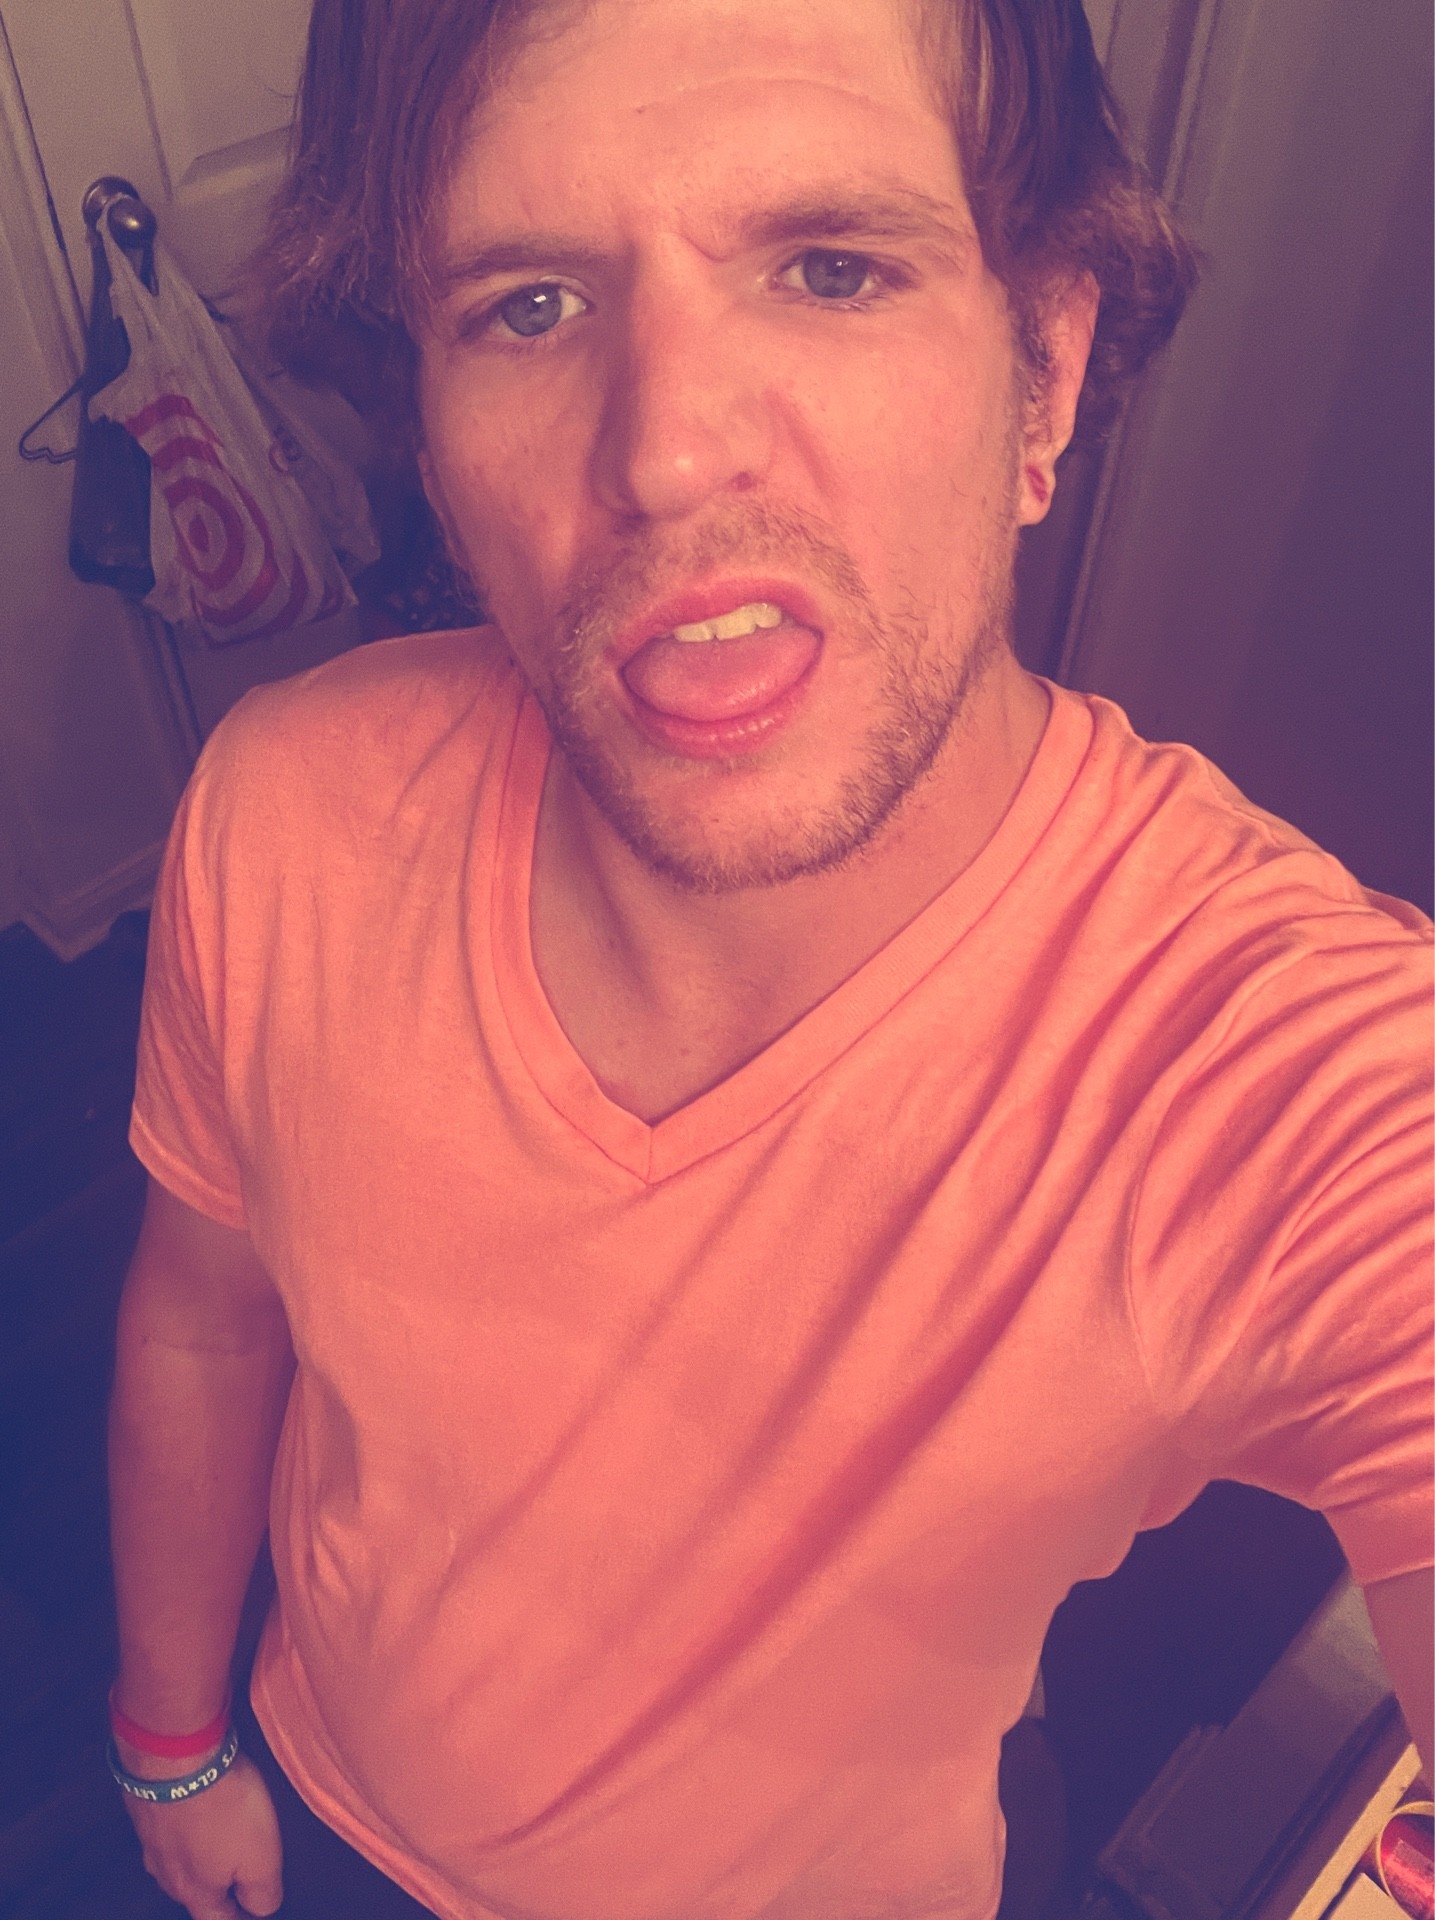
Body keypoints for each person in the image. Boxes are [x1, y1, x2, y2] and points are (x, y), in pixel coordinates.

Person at [106, 0, 1434, 1915]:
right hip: (325, 1803)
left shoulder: (1276, 1064)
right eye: (529, 306)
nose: (665, 450)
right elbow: (203, 1319)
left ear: (1044, 371)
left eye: (830, 267)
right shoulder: (283, 816)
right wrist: (174, 1740)